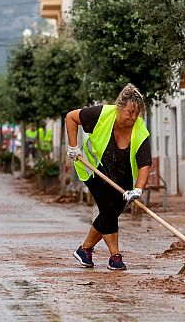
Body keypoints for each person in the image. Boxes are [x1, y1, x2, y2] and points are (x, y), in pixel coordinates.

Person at [66, 83, 151, 270]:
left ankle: (85, 249)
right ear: (119, 107)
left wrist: (137, 189)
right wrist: (73, 147)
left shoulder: (140, 130)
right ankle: (115, 256)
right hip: (93, 168)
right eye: (130, 112)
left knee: (110, 212)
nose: (133, 117)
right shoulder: (101, 114)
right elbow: (71, 118)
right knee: (108, 208)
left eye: (137, 113)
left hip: (122, 177)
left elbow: (145, 163)